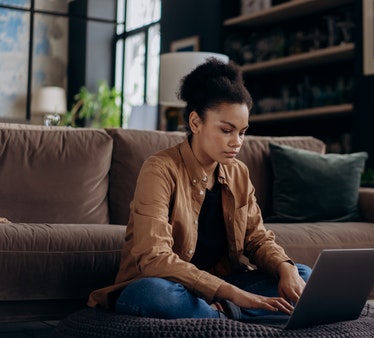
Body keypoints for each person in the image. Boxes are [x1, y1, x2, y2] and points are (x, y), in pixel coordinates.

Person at [88, 58, 311, 320]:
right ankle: (239, 315)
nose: (237, 142)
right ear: (196, 122)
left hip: (223, 286)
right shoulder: (160, 169)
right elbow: (153, 258)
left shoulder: (238, 173)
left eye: (242, 132)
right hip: (170, 286)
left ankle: (218, 317)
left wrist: (286, 269)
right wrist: (232, 293)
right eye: (227, 130)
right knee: (151, 295)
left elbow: (257, 239)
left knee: (303, 275)